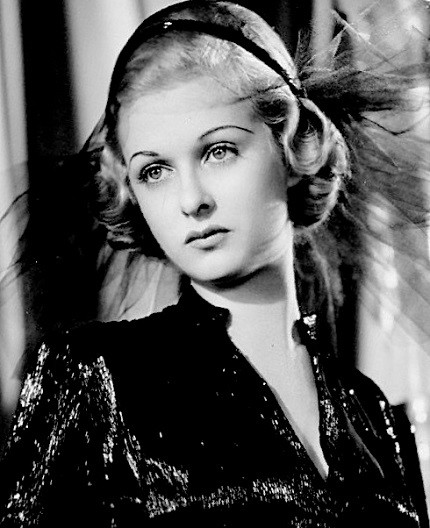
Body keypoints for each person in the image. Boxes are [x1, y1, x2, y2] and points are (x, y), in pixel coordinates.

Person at [0, 1, 429, 526]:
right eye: (155, 171)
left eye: (218, 151)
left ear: (295, 145)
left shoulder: (372, 412)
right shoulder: (95, 378)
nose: (191, 200)